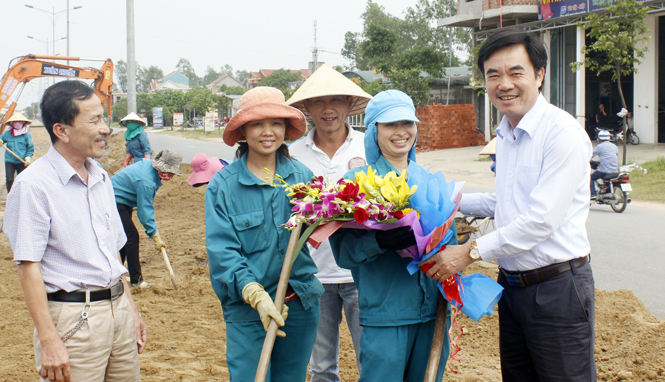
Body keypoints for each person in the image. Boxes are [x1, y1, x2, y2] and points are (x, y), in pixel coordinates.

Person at [423, 30, 595, 381]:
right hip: (513, 288)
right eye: (493, 75)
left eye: (516, 72)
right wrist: (441, 202)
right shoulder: (506, 133)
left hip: (557, 289)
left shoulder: (561, 133)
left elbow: (539, 221)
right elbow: (505, 203)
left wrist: (469, 252)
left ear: (539, 74)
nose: (505, 84)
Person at [3, 80, 147, 382]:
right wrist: (49, 339)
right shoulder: (33, 185)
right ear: (62, 130)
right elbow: (28, 267)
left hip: (117, 310)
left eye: (102, 118)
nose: (105, 128)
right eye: (94, 120)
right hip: (74, 320)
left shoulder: (102, 177)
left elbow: (113, 255)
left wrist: (130, 311)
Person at [328, 89, 457, 382]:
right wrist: (379, 241)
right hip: (386, 314)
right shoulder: (357, 183)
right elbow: (344, 252)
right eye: (390, 125)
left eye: (407, 123)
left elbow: (451, 241)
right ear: (373, 131)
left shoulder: (429, 180)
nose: (401, 132)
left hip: (432, 312)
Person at [205, 86, 324, 382]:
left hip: (299, 303)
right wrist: (256, 296)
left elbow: (320, 229)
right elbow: (223, 253)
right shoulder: (223, 186)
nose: (267, 132)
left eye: (275, 123)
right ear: (243, 130)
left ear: (285, 127)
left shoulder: (303, 178)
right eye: (257, 123)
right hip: (247, 309)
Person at [286, 64, 370, 381]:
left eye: (336, 100)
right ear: (306, 108)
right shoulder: (292, 156)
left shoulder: (369, 147)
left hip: (363, 272)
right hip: (313, 277)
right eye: (319, 101)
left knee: (370, 360)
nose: (328, 109)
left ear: (350, 105)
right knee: (321, 367)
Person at [111, 148, 183, 288]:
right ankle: (136, 281)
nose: (170, 175)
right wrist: (154, 234)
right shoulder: (146, 181)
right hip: (113, 200)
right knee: (131, 237)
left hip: (123, 201)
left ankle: (117, 273)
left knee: (124, 237)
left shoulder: (150, 169)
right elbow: (144, 210)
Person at [0, 112, 34, 192]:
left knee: (22, 180)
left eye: (20, 122)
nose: (17, 123)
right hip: (10, 160)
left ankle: (21, 195)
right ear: (12, 123)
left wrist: (28, 157)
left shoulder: (27, 135)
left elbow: (30, 148)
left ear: (23, 123)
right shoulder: (8, 133)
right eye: (15, 122)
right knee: (9, 179)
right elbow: (1, 138)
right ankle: (10, 195)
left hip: (21, 160)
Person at [591, 130, 619, 196]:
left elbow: (590, 155)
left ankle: (593, 194)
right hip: (615, 170)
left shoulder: (599, 147)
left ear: (599, 139)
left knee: (591, 178)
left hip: (604, 171)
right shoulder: (614, 146)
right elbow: (616, 155)